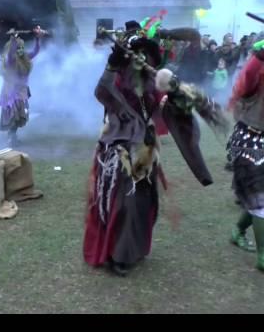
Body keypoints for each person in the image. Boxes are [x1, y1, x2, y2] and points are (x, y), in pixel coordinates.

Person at [83, 22, 215, 276]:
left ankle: (131, 250)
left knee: (143, 204)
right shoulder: (118, 79)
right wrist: (112, 65)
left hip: (144, 150)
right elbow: (102, 92)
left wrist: (178, 94)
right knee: (123, 204)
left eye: (147, 54)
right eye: (138, 53)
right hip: (117, 151)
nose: (142, 58)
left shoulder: (153, 82)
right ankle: (117, 255)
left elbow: (166, 110)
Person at [227, 40, 264, 272]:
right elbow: (249, 76)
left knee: (259, 199)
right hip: (251, 142)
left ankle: (238, 230)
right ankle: (263, 255)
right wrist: (261, 56)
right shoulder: (254, 73)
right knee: (260, 201)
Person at [0, 27, 43, 146]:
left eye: (22, 47)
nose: (21, 50)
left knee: (20, 115)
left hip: (21, 90)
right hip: (11, 90)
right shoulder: (10, 60)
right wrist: (14, 40)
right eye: (19, 48)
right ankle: (11, 138)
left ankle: (13, 136)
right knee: (13, 115)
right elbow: (11, 53)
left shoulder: (25, 58)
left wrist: (37, 39)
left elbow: (36, 51)